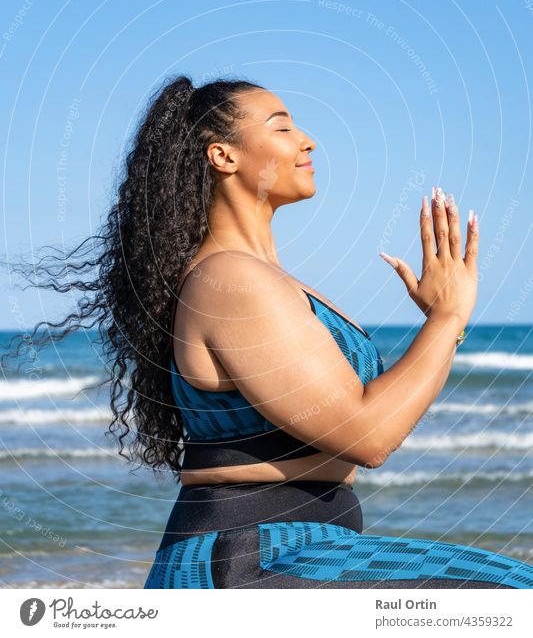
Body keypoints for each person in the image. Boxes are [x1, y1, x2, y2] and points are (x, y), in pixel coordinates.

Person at [5, 74, 533, 589]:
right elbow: (368, 435)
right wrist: (447, 319)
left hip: (301, 548)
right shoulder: (230, 281)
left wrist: (444, 322)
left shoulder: (263, 280)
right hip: (249, 558)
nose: (307, 141)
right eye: (282, 127)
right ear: (224, 156)